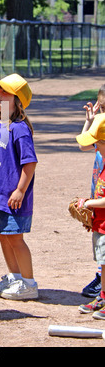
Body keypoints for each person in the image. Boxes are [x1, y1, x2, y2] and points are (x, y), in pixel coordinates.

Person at [0, 73, 38, 300]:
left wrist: (20, 190)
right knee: (3, 235)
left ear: (17, 100)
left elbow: (30, 162)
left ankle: (29, 283)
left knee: (15, 238)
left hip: (13, 195)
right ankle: (15, 277)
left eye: (5, 91)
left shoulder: (19, 128)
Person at [77, 113, 105, 320]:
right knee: (103, 264)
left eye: (97, 144)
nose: (95, 148)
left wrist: (87, 204)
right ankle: (102, 296)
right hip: (100, 223)